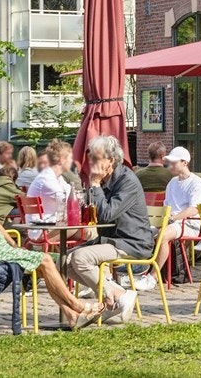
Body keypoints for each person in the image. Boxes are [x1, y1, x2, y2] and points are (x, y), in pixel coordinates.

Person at [0, 157, 107, 330]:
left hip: (1, 250)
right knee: (45, 259)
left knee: (43, 264)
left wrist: (14, 245)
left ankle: (71, 316)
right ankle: (77, 305)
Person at [64, 135, 152, 323]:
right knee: (64, 261)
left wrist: (94, 185)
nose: (91, 163)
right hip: (110, 239)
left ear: (111, 160)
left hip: (131, 242)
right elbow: (91, 216)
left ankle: (117, 297)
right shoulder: (104, 180)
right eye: (90, 158)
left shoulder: (127, 181)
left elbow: (105, 215)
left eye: (96, 159)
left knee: (81, 258)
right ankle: (116, 296)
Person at [155, 146, 201, 276]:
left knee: (163, 235)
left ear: (184, 163)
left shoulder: (197, 183)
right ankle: (142, 270)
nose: (170, 166)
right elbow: (166, 205)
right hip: (172, 222)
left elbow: (194, 209)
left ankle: (153, 276)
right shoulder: (172, 183)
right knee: (142, 233)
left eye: (174, 163)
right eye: (169, 163)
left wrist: (173, 218)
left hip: (189, 224)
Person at [29, 140, 76, 215]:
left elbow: (71, 193)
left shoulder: (56, 177)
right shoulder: (47, 180)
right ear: (62, 160)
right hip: (43, 225)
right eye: (70, 158)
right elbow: (71, 201)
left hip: (50, 223)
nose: (72, 161)